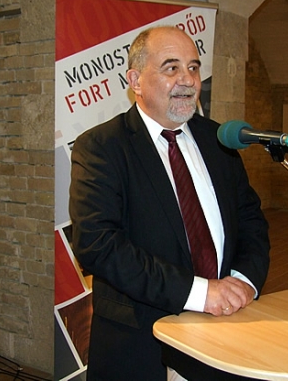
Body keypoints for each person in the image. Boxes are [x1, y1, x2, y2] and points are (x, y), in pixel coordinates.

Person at [69, 26, 271, 381]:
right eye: (171, 67)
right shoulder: (102, 147)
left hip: (228, 328)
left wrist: (243, 281)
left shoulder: (217, 139)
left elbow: (250, 220)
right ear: (136, 80)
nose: (188, 80)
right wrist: (200, 293)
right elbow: (98, 245)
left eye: (193, 68)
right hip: (142, 341)